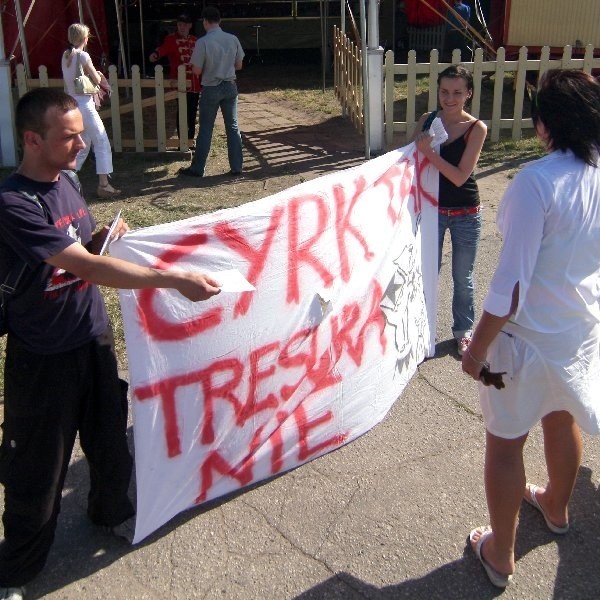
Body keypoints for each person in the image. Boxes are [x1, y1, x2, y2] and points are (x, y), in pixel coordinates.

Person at [0, 88, 222, 600]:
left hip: (91, 338)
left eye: (82, 132)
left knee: (108, 440)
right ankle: (17, 570)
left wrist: (103, 235)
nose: (82, 143)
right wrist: (172, 279)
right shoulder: (12, 203)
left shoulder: (67, 181)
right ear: (33, 140)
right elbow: (82, 266)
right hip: (43, 357)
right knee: (37, 467)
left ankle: (111, 513)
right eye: (69, 136)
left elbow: (82, 247)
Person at [463, 69, 600, 588]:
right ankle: (556, 507)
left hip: (523, 341)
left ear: (544, 125)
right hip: (577, 329)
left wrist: (476, 349)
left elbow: (510, 287)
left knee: (504, 443)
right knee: (561, 416)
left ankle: (500, 553)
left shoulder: (535, 184)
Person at [413, 65, 487, 356]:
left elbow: (459, 176)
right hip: (432, 210)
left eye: (457, 92)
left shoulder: (476, 128)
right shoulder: (427, 120)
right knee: (426, 272)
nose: (450, 98)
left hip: (466, 213)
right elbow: (409, 155)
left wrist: (430, 154)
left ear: (468, 93)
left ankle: (463, 331)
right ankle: (421, 327)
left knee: (462, 277)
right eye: (444, 91)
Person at [179, 6, 244, 179]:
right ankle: (237, 166)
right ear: (220, 21)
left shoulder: (203, 42)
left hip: (211, 87)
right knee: (233, 126)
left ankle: (198, 168)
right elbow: (239, 66)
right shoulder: (233, 39)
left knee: (206, 128)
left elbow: (197, 71)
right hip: (230, 86)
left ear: (205, 22)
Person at [61, 23, 119, 198]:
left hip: (72, 104)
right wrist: (100, 76)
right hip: (85, 104)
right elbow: (95, 77)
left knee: (83, 145)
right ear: (84, 38)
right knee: (101, 141)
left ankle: (64, 179)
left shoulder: (65, 56)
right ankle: (104, 184)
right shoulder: (83, 55)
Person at [149, 13, 201, 143]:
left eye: (184, 24)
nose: (181, 27)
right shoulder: (171, 39)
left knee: (192, 112)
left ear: (190, 25)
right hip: (180, 83)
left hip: (195, 83)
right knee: (182, 112)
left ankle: (190, 140)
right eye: (179, 24)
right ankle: (182, 141)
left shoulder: (195, 40)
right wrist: (156, 54)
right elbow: (163, 49)